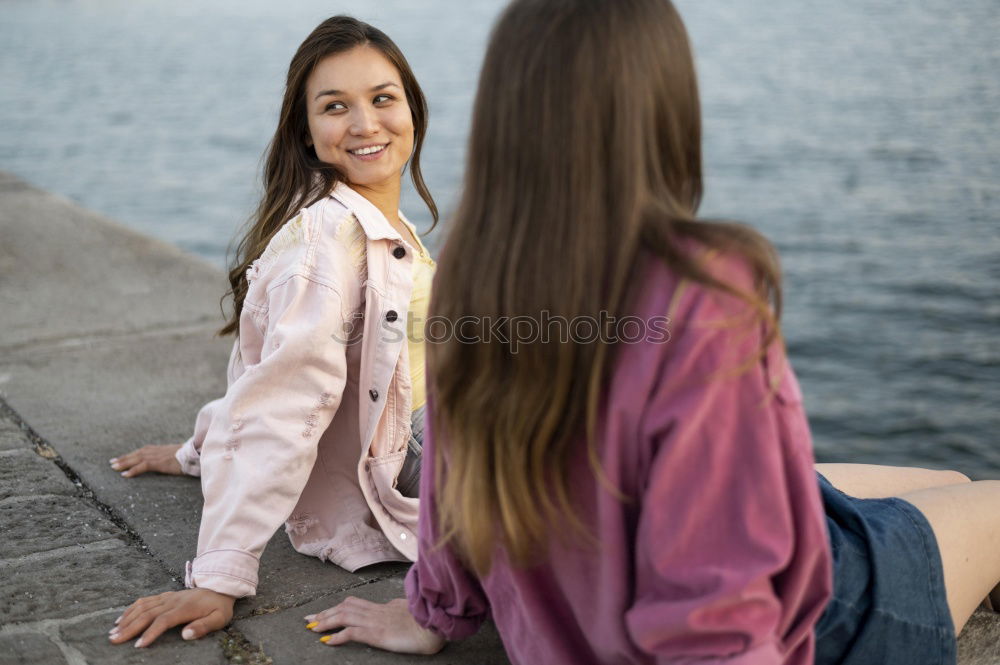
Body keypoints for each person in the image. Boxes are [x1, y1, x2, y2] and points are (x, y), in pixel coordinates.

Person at [303, 0, 1000, 663]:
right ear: (663, 112)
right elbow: (720, 621)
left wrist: (435, 612)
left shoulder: (472, 271)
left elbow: (455, 480)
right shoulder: (703, 298)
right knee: (982, 494)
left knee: (941, 478)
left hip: (662, 551)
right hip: (829, 614)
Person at [107, 15, 439, 648]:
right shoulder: (323, 243)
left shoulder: (379, 225)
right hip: (429, 447)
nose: (366, 124)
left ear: (412, 111)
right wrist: (220, 575)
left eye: (382, 98)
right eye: (336, 106)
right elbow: (283, 399)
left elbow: (262, 366)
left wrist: (197, 452)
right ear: (308, 135)